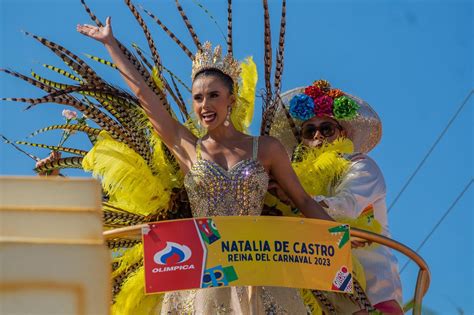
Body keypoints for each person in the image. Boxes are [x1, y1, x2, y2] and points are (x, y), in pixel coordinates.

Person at [77, 17, 333, 314]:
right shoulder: (188, 147)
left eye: (213, 95)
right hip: (201, 275)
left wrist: (339, 237)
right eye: (198, 98)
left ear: (231, 101)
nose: (205, 105)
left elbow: (302, 200)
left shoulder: (265, 148)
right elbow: (146, 98)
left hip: (257, 271)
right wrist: (112, 45)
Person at [266, 79, 404, 314]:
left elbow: (345, 207)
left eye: (326, 129)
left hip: (371, 300)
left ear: (342, 133)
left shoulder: (361, 166)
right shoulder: (295, 181)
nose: (318, 136)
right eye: (310, 131)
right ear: (302, 141)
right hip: (316, 300)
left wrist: (296, 198)